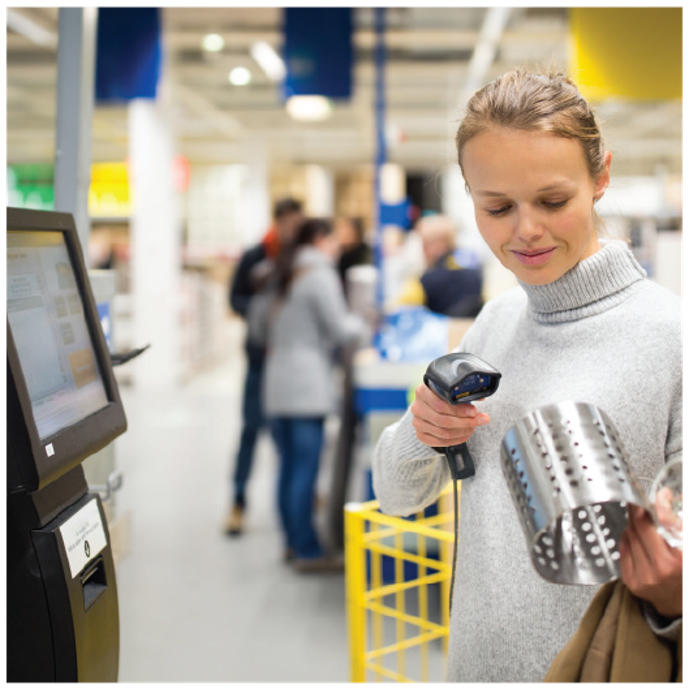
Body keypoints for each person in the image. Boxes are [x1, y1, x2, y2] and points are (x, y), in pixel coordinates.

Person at [372, 69, 683, 684]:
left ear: (601, 178)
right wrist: (423, 429)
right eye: (497, 207)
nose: (526, 230)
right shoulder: (495, 322)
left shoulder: (668, 335)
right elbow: (398, 492)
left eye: (552, 200)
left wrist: (673, 594)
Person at [257, 218, 367, 571]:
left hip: (276, 380)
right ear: (321, 239)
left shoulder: (280, 272)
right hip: (306, 383)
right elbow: (339, 328)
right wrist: (365, 323)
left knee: (287, 467)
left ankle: (292, 542)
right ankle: (308, 550)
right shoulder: (319, 275)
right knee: (305, 468)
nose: (338, 247)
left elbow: (259, 328)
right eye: (334, 239)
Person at [224, 198, 304, 536]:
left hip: (292, 362)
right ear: (279, 222)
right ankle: (238, 502)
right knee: (250, 431)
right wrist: (262, 310)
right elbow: (234, 299)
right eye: (289, 223)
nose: (293, 230)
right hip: (260, 359)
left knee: (289, 436)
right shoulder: (256, 256)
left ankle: (301, 499)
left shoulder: (303, 258)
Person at [394, 214, 484, 317]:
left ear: (440, 244)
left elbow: (399, 313)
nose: (423, 250)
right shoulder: (475, 274)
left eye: (425, 244)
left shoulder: (423, 281)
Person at [334, 216, 372, 288]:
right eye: (338, 228)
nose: (340, 232)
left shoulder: (366, 254)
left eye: (345, 228)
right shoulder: (340, 255)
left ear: (356, 232)